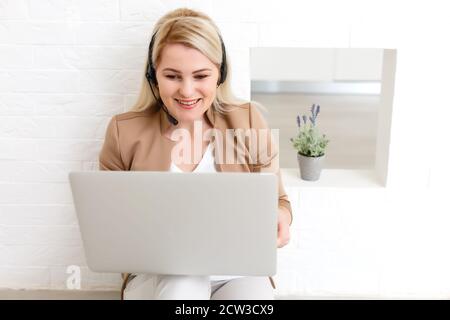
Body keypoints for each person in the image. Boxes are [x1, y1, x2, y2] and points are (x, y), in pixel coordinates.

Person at [99, 7, 293, 300]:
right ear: (154, 76)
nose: (187, 91)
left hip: (235, 269)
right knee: (182, 287)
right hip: (157, 273)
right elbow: (106, 219)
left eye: (201, 75)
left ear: (220, 74)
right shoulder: (124, 132)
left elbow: (278, 200)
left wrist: (280, 216)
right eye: (173, 76)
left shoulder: (246, 121)